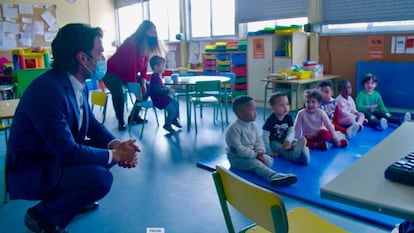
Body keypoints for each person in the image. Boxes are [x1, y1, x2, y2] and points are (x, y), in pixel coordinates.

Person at [6, 23, 140, 233]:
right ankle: (41, 215)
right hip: (34, 167)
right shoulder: (48, 90)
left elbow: (93, 126)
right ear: (82, 58)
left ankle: (72, 201)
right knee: (101, 177)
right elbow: (67, 152)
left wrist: (117, 145)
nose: (102, 58)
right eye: (99, 53)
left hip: (54, 156)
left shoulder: (75, 83)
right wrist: (116, 154)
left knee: (104, 160)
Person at [103, 20, 164, 130]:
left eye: (154, 32)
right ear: (143, 32)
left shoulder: (147, 46)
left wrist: (143, 82)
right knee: (119, 95)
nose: (153, 35)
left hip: (126, 72)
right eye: (151, 32)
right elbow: (130, 68)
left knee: (147, 89)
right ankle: (121, 121)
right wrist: (135, 90)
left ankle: (134, 116)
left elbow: (144, 66)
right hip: (111, 72)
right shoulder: (132, 44)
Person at [225, 95, 298, 187]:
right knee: (256, 163)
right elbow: (238, 149)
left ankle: (258, 166)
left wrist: (260, 152)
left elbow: (258, 140)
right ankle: (273, 176)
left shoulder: (252, 125)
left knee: (269, 161)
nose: (255, 113)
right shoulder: (234, 129)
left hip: (253, 154)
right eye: (252, 110)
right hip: (237, 159)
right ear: (241, 113)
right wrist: (255, 155)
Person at [262, 92, 310, 165]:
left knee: (295, 142)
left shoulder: (288, 117)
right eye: (281, 105)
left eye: (287, 104)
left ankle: (303, 153)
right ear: (272, 108)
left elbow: (291, 131)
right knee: (279, 148)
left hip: (286, 139)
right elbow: (265, 136)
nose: (285, 107)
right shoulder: (270, 120)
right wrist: (268, 152)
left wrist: (288, 141)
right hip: (274, 141)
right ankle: (299, 156)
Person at [148, 55, 181, 133]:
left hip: (162, 98)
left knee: (176, 103)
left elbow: (160, 88)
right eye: (163, 66)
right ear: (156, 67)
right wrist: (167, 91)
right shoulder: (155, 77)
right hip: (159, 100)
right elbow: (158, 91)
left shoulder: (157, 76)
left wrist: (166, 89)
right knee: (172, 110)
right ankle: (167, 124)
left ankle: (174, 119)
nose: (164, 67)